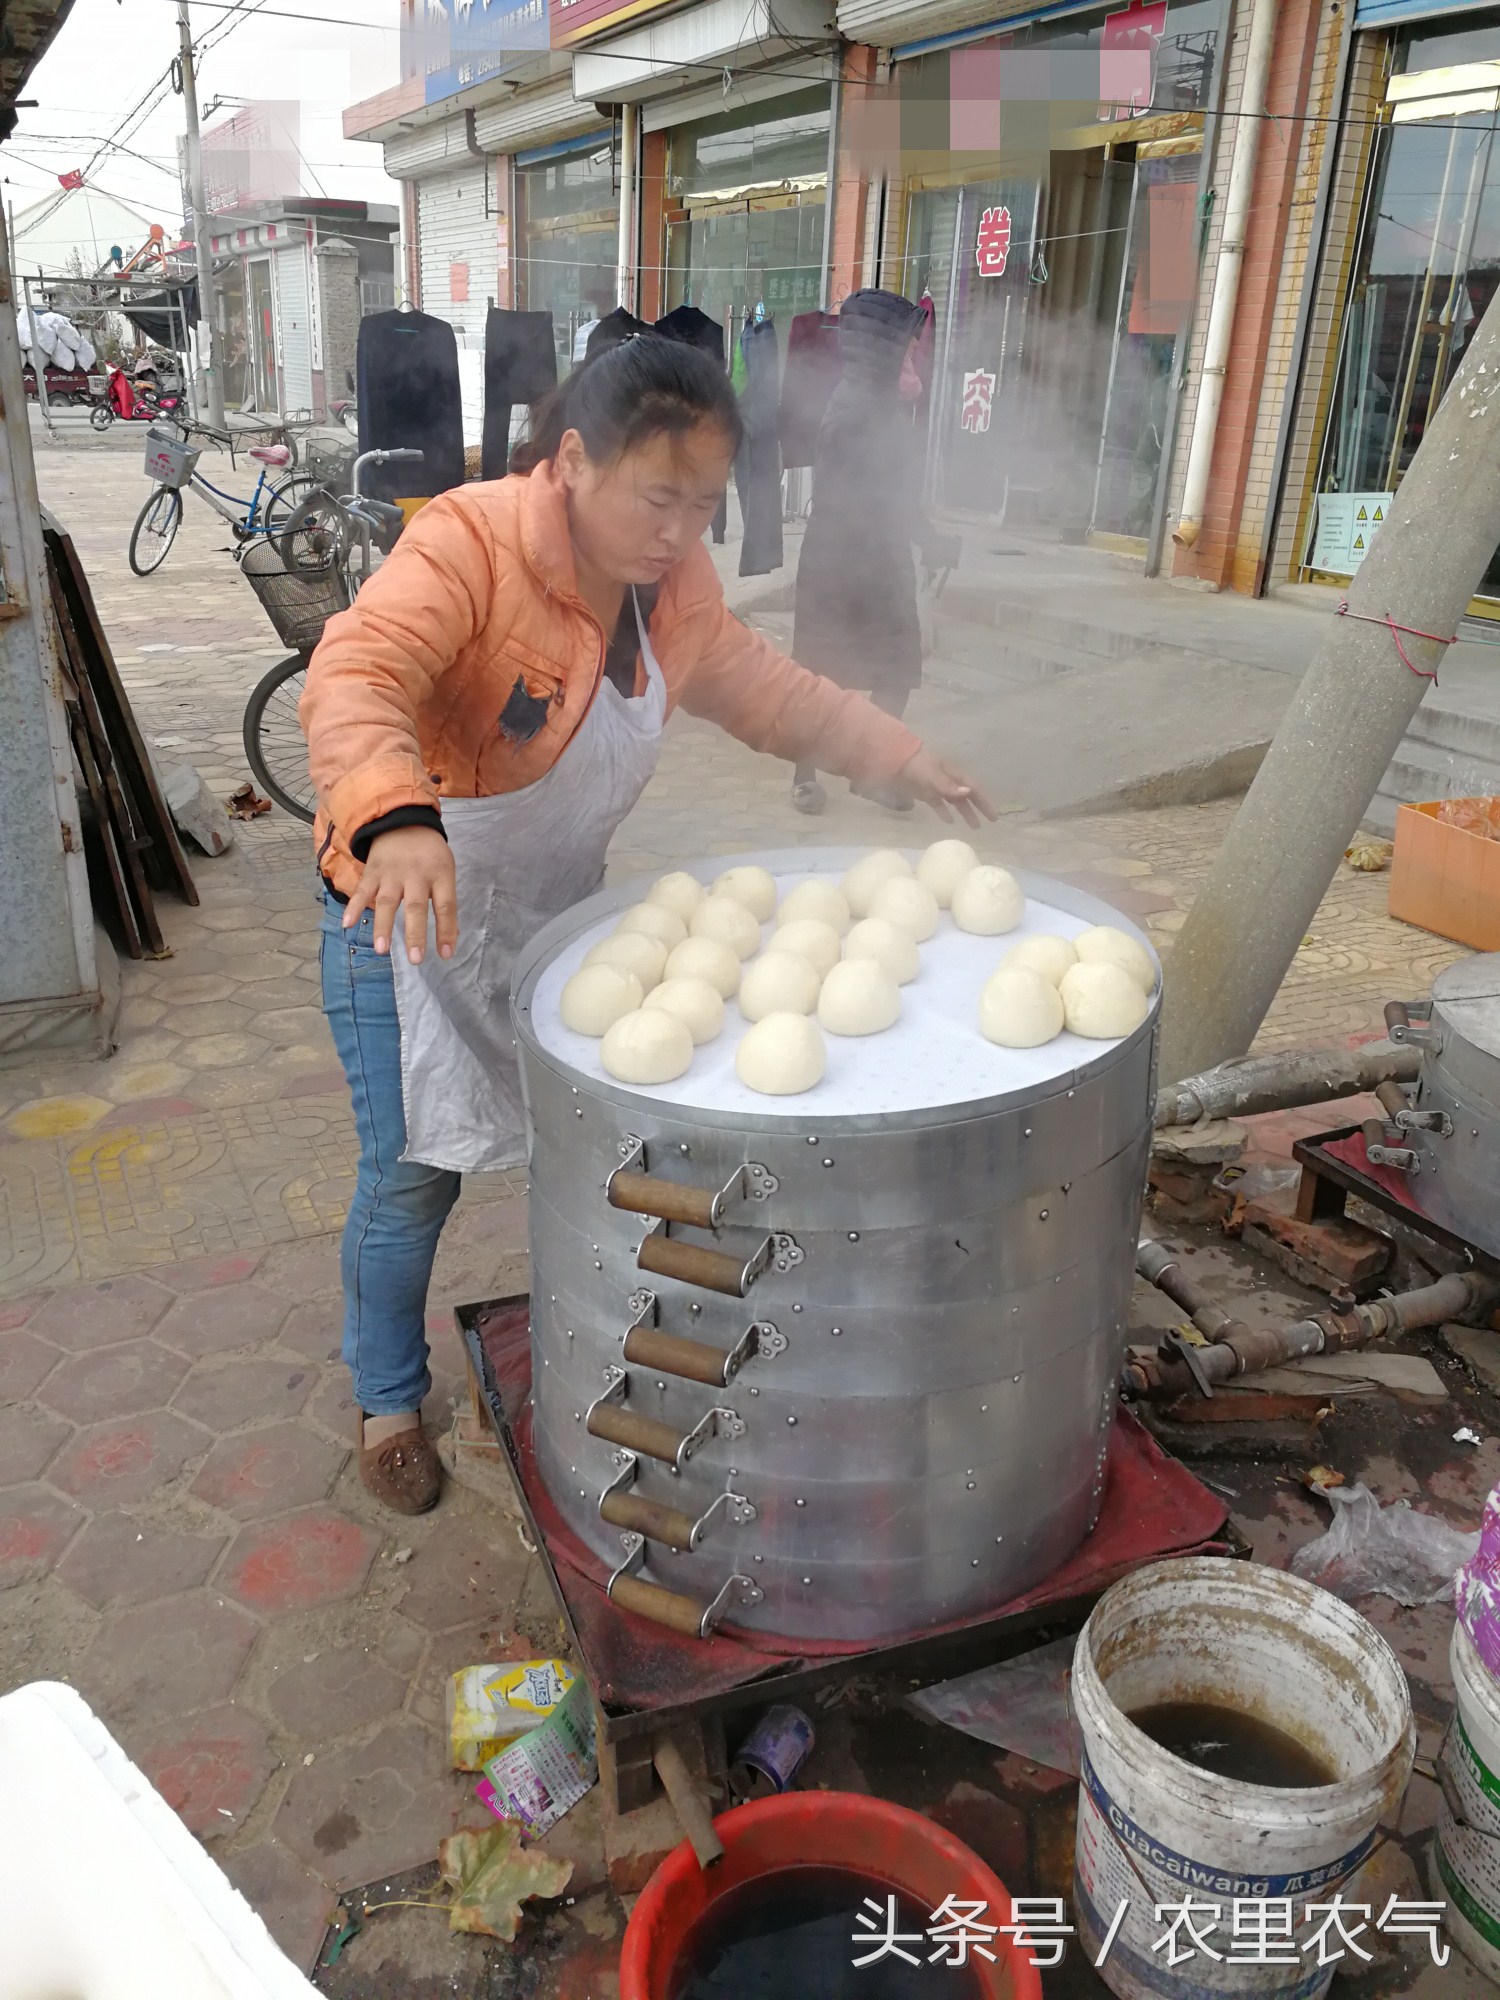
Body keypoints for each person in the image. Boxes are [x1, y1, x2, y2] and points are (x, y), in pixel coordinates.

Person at [300, 334, 993, 1516]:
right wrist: (395, 814)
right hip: (407, 915)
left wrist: (899, 751)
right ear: (574, 460)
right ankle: (385, 1401)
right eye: (659, 496)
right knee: (413, 1173)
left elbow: (765, 688)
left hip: (552, 919)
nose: (682, 529)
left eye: (707, 503)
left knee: (580, 1151)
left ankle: (586, 1336)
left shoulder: (672, 593)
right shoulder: (471, 542)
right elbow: (359, 668)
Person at [789, 289, 956, 815]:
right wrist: (927, 538)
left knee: (893, 669)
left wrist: (923, 539)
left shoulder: (878, 400)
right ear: (881, 347)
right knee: (822, 677)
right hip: (841, 564)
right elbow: (884, 497)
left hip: (875, 561)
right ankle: (805, 776)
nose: (914, 352)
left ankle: (874, 771)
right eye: (908, 343)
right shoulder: (855, 408)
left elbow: (894, 494)